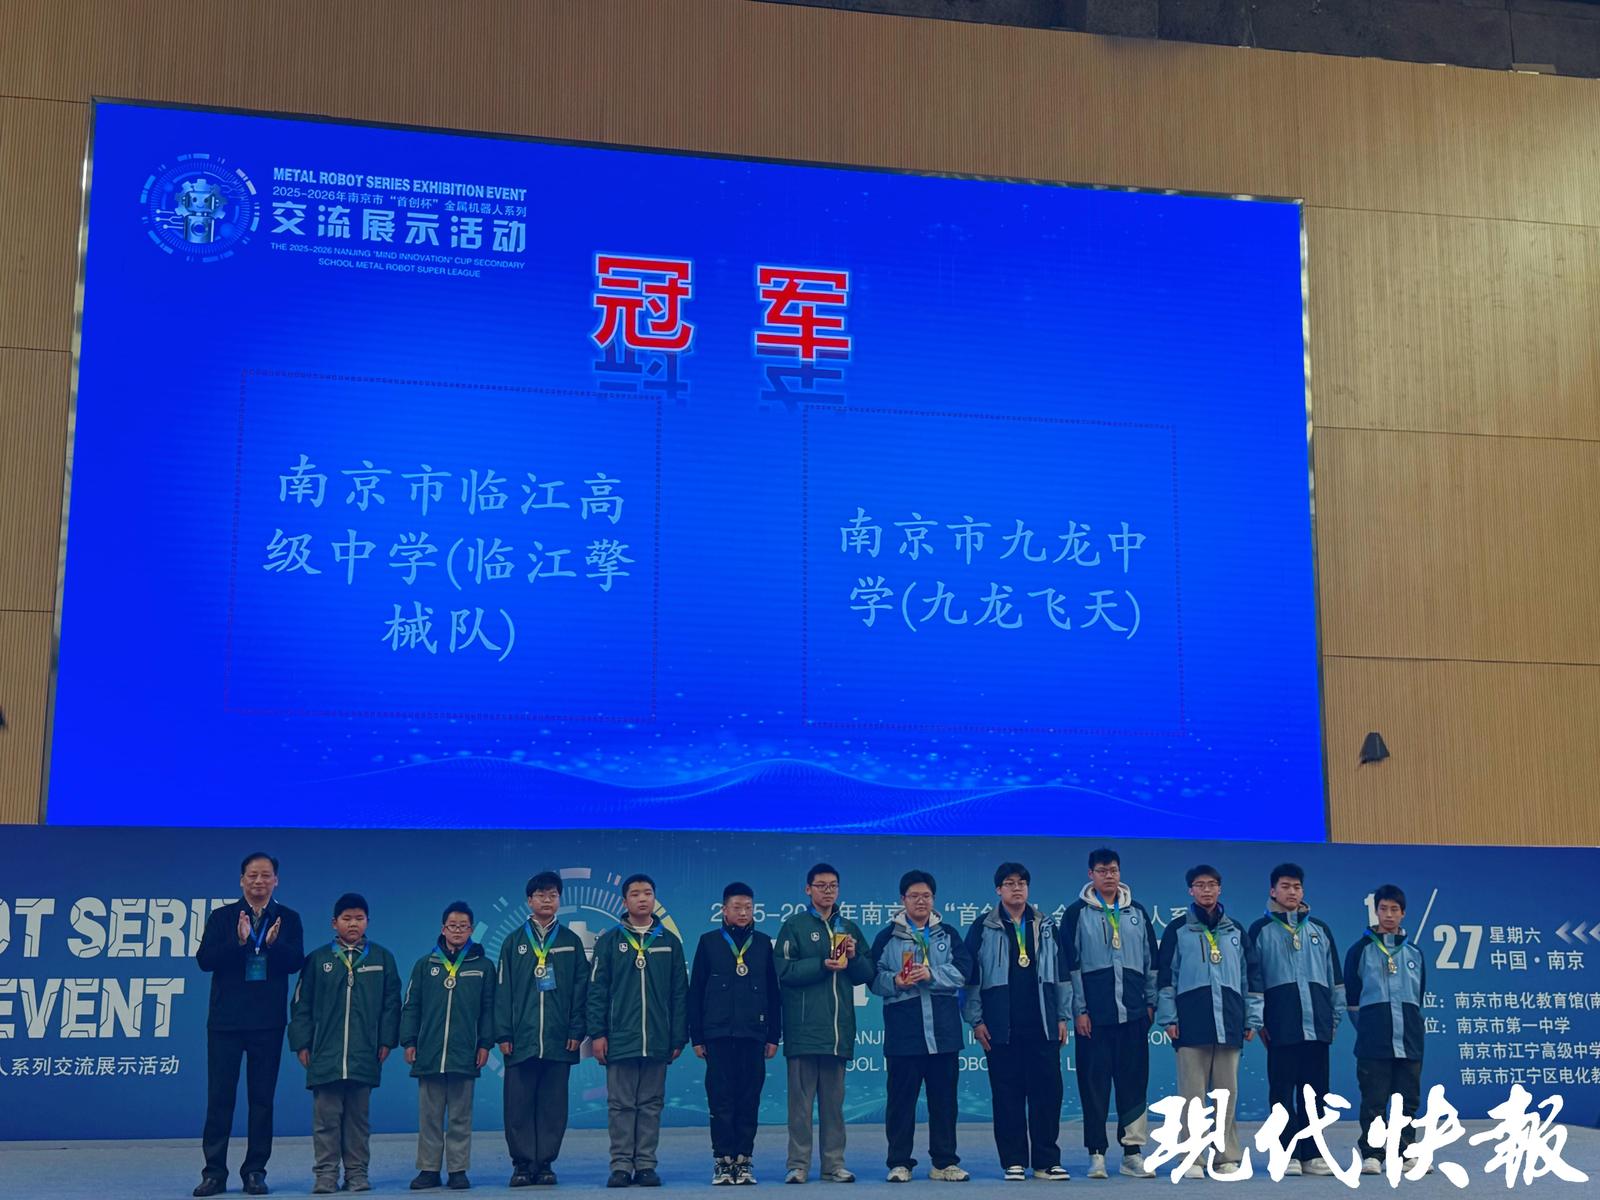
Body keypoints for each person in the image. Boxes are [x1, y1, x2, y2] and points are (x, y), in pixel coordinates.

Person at [194, 851, 306, 1198]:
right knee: (220, 1100)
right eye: (253, 875)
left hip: (267, 1023)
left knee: (262, 1101)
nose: (259, 881)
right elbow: (205, 960)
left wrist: (273, 945)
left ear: (276, 881)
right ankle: (214, 1173)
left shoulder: (288, 918)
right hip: (225, 1022)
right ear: (242, 880)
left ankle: (255, 1171)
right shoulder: (222, 917)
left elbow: (295, 962)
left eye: (266, 875)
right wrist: (240, 942)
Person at [289, 892, 403, 1195]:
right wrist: (302, 1043)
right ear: (334, 923)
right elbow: (300, 1004)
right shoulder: (317, 960)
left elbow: (392, 1005)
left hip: (364, 1053)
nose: (353, 923)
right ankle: (326, 1175)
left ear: (367, 922)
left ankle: (356, 1174)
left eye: (359, 918)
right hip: (325, 1053)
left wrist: (387, 1041)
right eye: (347, 918)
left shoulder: (382, 958)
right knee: (326, 1120)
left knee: (358, 1121)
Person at [963, 862, 1071, 1181]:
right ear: (998, 890)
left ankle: (1046, 1161)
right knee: (1007, 1096)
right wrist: (976, 1020)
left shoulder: (1046, 925)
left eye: (1022, 882)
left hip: (1043, 1024)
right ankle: (1013, 1160)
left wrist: (1062, 1016)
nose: (1017, 888)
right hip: (1001, 1027)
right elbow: (970, 979)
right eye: (1009, 883)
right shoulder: (983, 927)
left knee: (1047, 1095)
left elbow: (1062, 974)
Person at [1057, 847, 1158, 1180]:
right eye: (1102, 871)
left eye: (1113, 869)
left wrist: (1150, 1004)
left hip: (1133, 1016)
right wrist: (1079, 1011)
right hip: (1094, 1020)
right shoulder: (1076, 914)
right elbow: (1069, 967)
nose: (1109, 875)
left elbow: (1151, 963)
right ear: (1091, 875)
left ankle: (1132, 1154)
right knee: (1094, 1087)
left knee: (1134, 1086)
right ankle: (1096, 1153)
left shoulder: (1137, 912)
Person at [1155, 865, 1260, 1179]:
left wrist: (1252, 1017)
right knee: (1192, 1096)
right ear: (1190, 890)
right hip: (1191, 1021)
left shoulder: (1235, 930)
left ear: (1220, 889)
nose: (1206, 890)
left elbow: (1250, 977)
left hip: (1229, 1019)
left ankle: (1226, 1155)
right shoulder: (1177, 930)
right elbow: (1166, 978)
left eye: (1212, 884)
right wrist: (1168, 1017)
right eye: (1199, 885)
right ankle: (1192, 1156)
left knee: (1226, 1095)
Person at [774, 862, 875, 1184]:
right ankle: (798, 1165)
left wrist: (854, 957)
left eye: (833, 886)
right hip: (803, 1031)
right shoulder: (794, 926)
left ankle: (833, 1165)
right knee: (800, 1108)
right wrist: (821, 964)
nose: (827, 891)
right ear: (808, 889)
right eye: (821, 885)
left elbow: (867, 974)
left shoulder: (849, 927)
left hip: (837, 1032)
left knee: (834, 1107)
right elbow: (783, 971)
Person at [869, 869, 973, 1183]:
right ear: (903, 899)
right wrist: (895, 981)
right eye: (914, 896)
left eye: (926, 895)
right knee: (901, 1103)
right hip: (905, 1034)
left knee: (945, 1103)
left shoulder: (948, 934)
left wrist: (931, 975)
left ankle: (944, 1162)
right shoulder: (887, 937)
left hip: (943, 1033)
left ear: (934, 899)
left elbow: (965, 971)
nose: (920, 901)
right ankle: (899, 1162)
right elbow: (872, 979)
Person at [588, 874, 689, 1188]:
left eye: (647, 893)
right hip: (620, 1038)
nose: (642, 898)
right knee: (620, 1105)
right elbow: (597, 991)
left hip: (657, 1038)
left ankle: (645, 1164)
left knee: (651, 1104)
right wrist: (598, 1034)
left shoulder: (669, 942)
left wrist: (678, 1036)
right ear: (624, 901)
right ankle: (620, 1165)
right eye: (635, 894)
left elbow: (679, 994)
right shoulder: (608, 942)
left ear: (654, 898)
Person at [1244, 863, 1343, 1177]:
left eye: (1297, 887)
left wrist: (1333, 1019)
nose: (1292, 892)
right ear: (1273, 891)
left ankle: (1313, 1153)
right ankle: (1287, 1152)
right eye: (1285, 886)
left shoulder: (1320, 930)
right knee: (1282, 1092)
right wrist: (1259, 1022)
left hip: (1317, 1024)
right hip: (1281, 1024)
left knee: (1315, 1093)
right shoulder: (1260, 930)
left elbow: (1335, 981)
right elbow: (1253, 981)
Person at [497, 871, 590, 1187]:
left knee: (552, 1107)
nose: (547, 900)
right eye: (541, 895)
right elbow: (503, 991)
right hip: (520, 1040)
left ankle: (545, 1163)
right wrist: (504, 1033)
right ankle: (522, 1165)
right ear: (529, 901)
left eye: (553, 895)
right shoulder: (513, 942)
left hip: (558, 1040)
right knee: (518, 1107)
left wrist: (576, 1031)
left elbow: (581, 990)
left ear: (559, 900)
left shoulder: (570, 942)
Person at [688, 882, 782, 1185]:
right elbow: (695, 991)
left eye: (748, 908)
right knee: (721, 1100)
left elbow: (773, 993)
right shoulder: (709, 942)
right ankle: (722, 1160)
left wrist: (773, 1036)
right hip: (717, 1035)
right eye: (737, 907)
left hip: (753, 1035)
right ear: (724, 910)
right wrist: (697, 1037)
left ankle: (744, 1161)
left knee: (748, 1099)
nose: (743, 913)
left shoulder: (763, 943)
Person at [400, 901, 497, 1191]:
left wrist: (484, 1044)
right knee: (429, 1116)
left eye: (463, 926)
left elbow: (489, 1010)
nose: (457, 931)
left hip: (464, 1052)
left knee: (460, 1116)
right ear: (443, 929)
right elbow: (411, 1006)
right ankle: (428, 1169)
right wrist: (409, 1041)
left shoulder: (483, 967)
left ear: (471, 930)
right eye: (452, 926)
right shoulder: (425, 965)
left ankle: (457, 1169)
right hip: (429, 1052)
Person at [1344, 884, 1427, 1177]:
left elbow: (1418, 997)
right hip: (1374, 1040)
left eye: (1394, 909)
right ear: (1376, 911)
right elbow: (1352, 1000)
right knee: (1374, 1100)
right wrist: (1370, 1029)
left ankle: (1405, 1152)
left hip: (1409, 1039)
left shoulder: (1415, 953)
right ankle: (1373, 1154)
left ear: (1403, 913)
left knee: (1408, 1101)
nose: (1389, 914)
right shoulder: (1360, 951)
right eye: (1383, 909)